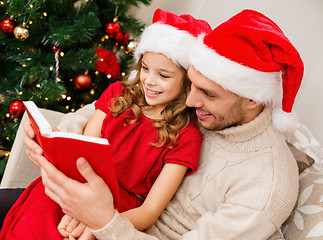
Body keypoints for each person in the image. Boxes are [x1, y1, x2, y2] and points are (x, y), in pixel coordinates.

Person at [5, 9, 304, 239]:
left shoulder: (266, 187)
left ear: (252, 98)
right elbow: (108, 113)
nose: (189, 103)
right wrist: (57, 136)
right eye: (192, 85)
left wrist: (103, 222)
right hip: (90, 204)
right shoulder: (206, 109)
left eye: (208, 94)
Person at [0, 9, 212, 240]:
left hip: (117, 214)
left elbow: (149, 211)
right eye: (145, 68)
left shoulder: (186, 136)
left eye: (164, 75)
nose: (149, 80)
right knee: (33, 222)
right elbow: (83, 150)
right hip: (73, 189)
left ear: (187, 83)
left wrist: (96, 221)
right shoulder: (119, 93)